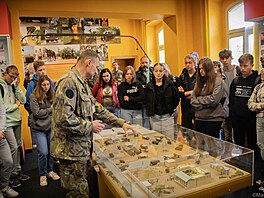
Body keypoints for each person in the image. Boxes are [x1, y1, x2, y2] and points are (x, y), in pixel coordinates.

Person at [50, 49, 137, 198]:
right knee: (78, 193)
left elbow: (96, 108)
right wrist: (90, 126)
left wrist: (121, 123)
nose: (97, 71)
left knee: (86, 189)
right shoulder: (68, 82)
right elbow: (63, 118)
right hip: (71, 152)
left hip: (82, 149)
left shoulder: (81, 83)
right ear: (88, 62)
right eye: (96, 67)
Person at [0, 65, 29, 188]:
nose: (12, 79)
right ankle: (11, 175)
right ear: (5, 73)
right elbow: (4, 108)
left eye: (14, 77)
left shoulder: (13, 85)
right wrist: (16, 106)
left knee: (17, 146)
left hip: (17, 120)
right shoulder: (1, 86)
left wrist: (17, 86)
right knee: (12, 147)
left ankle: (17, 171)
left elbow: (23, 99)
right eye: (11, 77)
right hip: (7, 123)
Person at [30, 75, 60, 187]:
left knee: (51, 151)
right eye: (44, 85)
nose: (46, 87)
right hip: (39, 128)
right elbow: (37, 113)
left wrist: (50, 111)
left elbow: (56, 110)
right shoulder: (34, 96)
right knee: (43, 152)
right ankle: (42, 174)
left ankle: (50, 171)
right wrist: (50, 110)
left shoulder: (52, 94)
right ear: (40, 85)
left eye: (48, 84)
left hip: (50, 127)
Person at [229, 54, 261, 152]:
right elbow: (231, 100)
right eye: (241, 65)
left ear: (252, 65)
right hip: (237, 119)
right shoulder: (235, 81)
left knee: (253, 144)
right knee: (238, 144)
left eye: (245, 66)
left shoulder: (257, 80)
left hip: (251, 119)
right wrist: (232, 117)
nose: (243, 68)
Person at [190, 57, 225, 138]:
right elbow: (192, 100)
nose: (201, 71)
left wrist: (199, 100)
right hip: (199, 117)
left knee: (212, 146)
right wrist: (204, 102)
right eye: (200, 69)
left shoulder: (218, 81)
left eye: (203, 69)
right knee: (199, 145)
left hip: (213, 118)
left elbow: (214, 100)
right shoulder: (198, 82)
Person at [25, 60, 55, 148]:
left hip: (50, 121)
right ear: (35, 71)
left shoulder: (50, 82)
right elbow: (27, 103)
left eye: (44, 69)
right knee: (42, 150)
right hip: (38, 121)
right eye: (40, 70)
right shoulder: (31, 84)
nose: (42, 72)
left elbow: (53, 98)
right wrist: (36, 115)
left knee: (51, 148)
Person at [146, 63, 179, 138]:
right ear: (153, 72)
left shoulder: (170, 84)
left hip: (167, 117)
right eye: (156, 71)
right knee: (157, 141)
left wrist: (171, 109)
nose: (158, 73)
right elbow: (146, 100)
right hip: (155, 117)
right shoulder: (149, 86)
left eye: (160, 71)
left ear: (164, 72)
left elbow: (176, 98)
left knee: (169, 140)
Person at [219, 49, 240, 143]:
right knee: (227, 133)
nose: (225, 60)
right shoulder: (219, 72)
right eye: (222, 58)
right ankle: (228, 155)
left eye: (227, 58)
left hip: (236, 104)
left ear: (231, 58)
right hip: (224, 104)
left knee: (238, 132)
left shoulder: (238, 70)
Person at [0, 101, 19, 197]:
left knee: (8, 161)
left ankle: (4, 187)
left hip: (0, 137)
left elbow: (2, 111)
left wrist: (1, 130)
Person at [248, 68, 264, 161]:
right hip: (260, 119)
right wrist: (261, 105)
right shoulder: (258, 87)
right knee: (261, 145)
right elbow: (250, 104)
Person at [177, 54, 197, 129]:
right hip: (185, 106)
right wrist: (191, 92)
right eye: (186, 63)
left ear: (194, 63)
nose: (188, 65)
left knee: (197, 129)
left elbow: (199, 91)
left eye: (190, 63)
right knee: (186, 129)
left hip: (196, 105)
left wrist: (185, 93)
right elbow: (179, 93)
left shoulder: (199, 75)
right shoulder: (182, 76)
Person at [136, 56, 153, 128]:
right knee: (145, 119)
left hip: (153, 99)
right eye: (143, 63)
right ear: (140, 64)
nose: (145, 64)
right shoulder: (137, 74)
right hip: (143, 100)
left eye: (146, 62)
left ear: (149, 63)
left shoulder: (153, 72)